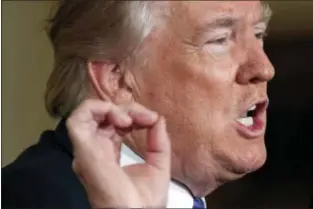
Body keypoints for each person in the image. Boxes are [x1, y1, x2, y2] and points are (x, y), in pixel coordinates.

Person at [2, 1, 275, 208]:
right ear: (118, 81)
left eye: (259, 34)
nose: (264, 68)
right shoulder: (32, 197)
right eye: (220, 40)